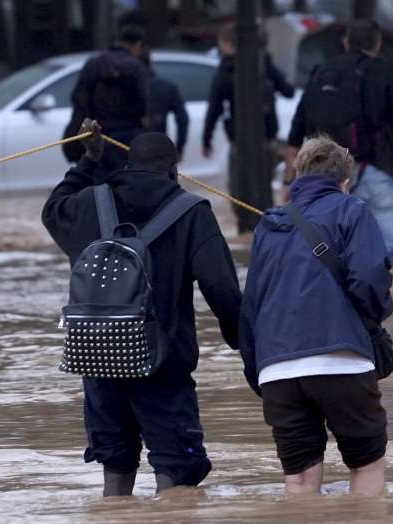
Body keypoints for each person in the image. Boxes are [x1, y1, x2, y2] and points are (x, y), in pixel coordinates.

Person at [41, 122, 242, 496]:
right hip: (163, 364)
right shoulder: (192, 211)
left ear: (128, 163)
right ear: (174, 170)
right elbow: (221, 287)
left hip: (99, 360)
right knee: (177, 469)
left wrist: (88, 161)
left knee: (115, 463)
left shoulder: (89, 202)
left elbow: (52, 209)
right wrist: (243, 342)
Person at [239, 135, 393, 497]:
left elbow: (252, 304)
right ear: (345, 182)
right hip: (342, 362)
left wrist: (258, 371)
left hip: (277, 370)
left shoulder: (269, 224)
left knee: (300, 481)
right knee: (366, 466)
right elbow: (368, 281)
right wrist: (375, 318)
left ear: (297, 176)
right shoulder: (351, 210)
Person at [286, 19, 393, 285]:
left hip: (326, 176)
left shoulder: (321, 72)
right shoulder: (386, 71)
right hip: (376, 168)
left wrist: (289, 180)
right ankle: (388, 315)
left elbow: (296, 132)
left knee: (331, 244)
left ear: (346, 42)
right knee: (389, 245)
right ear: (378, 43)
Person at [201, 23, 295, 233]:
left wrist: (206, 138)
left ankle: (247, 229)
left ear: (228, 44)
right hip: (266, 139)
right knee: (264, 188)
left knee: (239, 189)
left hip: (240, 142)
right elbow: (288, 91)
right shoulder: (264, 64)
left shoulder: (226, 69)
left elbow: (214, 107)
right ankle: (268, 228)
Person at [61, 24, 150, 168]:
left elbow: (79, 100)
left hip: (96, 137)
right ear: (138, 45)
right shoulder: (137, 67)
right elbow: (143, 106)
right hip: (126, 140)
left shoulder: (93, 63)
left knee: (96, 185)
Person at [142, 49, 189, 160]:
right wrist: (179, 148)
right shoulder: (166, 87)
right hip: (158, 147)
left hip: (127, 149)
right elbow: (183, 119)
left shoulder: (123, 88)